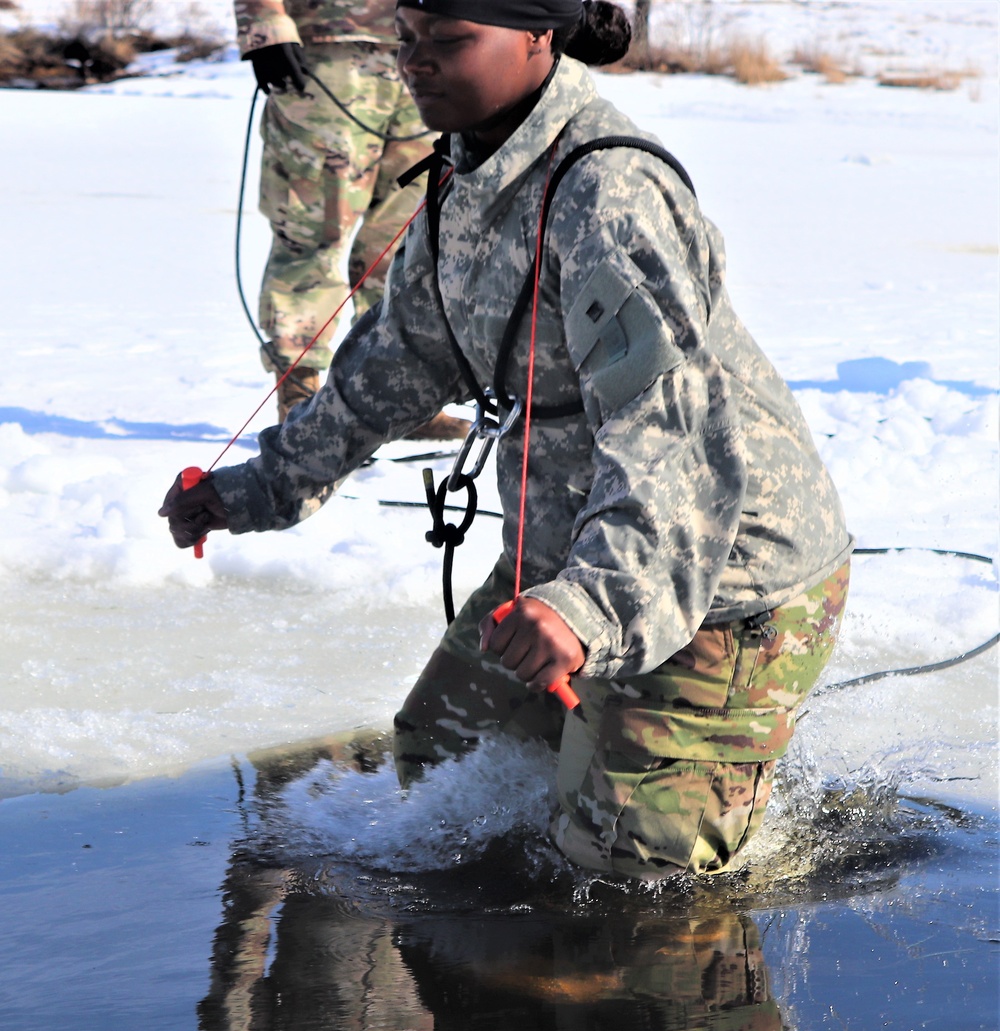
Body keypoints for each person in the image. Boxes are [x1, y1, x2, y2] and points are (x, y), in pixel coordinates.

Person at [162, 0, 852, 881]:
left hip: (721, 576)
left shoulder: (609, 196)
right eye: (408, 40)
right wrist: (252, 489)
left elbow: (666, 434)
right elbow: (397, 360)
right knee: (445, 758)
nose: (415, 64)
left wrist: (587, 608)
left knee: (628, 881)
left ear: (540, 35)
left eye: (448, 42)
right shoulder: (463, 170)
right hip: (570, 549)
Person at [235, 0, 469, 435]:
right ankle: (300, 402)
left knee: (412, 238)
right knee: (314, 230)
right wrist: (264, 26)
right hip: (327, 51)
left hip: (435, 43)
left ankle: (399, 395)